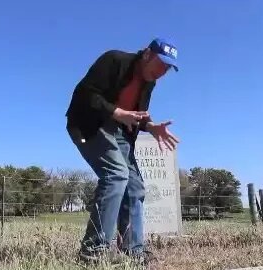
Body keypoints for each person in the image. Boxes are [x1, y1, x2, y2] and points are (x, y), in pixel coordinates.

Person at [65, 38, 180, 264]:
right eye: (160, 63)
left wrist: (150, 126)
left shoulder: (149, 83)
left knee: (135, 188)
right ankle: (93, 252)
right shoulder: (115, 60)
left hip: (119, 132)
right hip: (89, 124)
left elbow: (135, 116)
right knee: (116, 174)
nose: (162, 72)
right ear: (147, 54)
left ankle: (133, 252)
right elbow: (85, 94)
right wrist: (115, 112)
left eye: (167, 68)